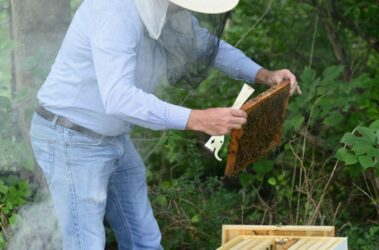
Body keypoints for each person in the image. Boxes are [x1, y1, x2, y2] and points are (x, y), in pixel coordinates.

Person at [29, 0, 301, 249]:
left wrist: (263, 74)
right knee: (84, 243)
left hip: (114, 138)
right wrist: (198, 118)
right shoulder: (113, 10)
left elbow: (207, 46)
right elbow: (118, 97)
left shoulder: (168, 12)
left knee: (144, 240)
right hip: (71, 138)